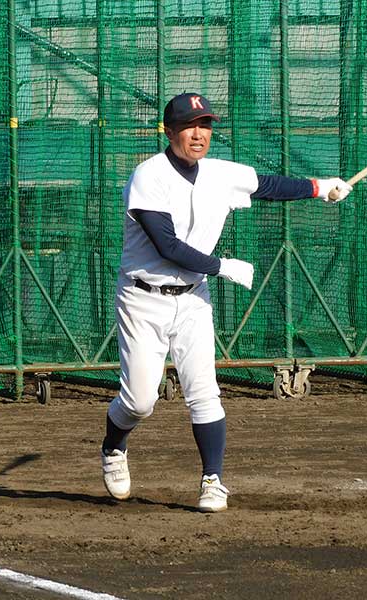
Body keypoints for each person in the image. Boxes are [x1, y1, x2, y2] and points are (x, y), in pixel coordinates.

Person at [100, 92, 351, 512]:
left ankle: (213, 479)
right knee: (140, 401)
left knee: (204, 391)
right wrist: (222, 266)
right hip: (143, 300)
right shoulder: (150, 175)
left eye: (205, 125)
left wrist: (319, 187)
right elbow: (165, 245)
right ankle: (113, 446)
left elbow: (268, 185)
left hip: (193, 300)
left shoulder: (218, 173)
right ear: (169, 130)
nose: (199, 134)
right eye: (188, 125)